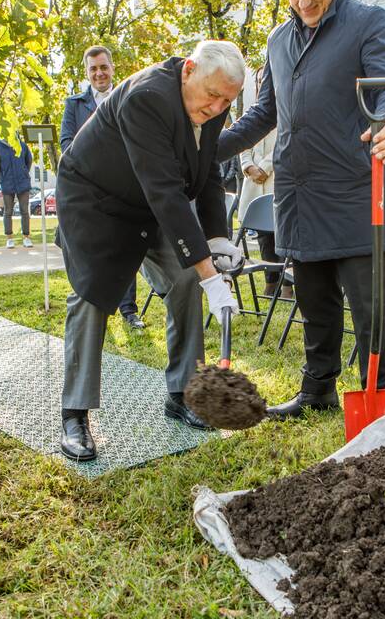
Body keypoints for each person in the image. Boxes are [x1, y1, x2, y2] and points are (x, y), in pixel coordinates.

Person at [217, 0, 385, 419]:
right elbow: (265, 112)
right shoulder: (278, 40)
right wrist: (210, 147)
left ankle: (378, 395)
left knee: (369, 310)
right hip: (299, 196)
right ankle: (317, 390)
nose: (303, 1)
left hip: (352, 191)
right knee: (314, 302)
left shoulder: (369, 23)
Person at [55, 41, 245, 460]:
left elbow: (208, 168)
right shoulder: (147, 96)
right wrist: (212, 276)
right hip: (97, 199)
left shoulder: (214, 98)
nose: (217, 108)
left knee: (183, 280)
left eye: (227, 101)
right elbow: (165, 192)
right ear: (188, 69)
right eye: (212, 96)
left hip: (147, 200)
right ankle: (75, 414)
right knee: (92, 295)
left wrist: (216, 239)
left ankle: (182, 394)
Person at [60, 46, 145, 329]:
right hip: (89, 191)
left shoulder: (128, 97)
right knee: (93, 254)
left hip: (121, 189)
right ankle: (95, 310)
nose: (99, 73)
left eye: (103, 67)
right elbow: (66, 145)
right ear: (87, 72)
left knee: (127, 247)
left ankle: (128, 310)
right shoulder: (74, 105)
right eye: (93, 68)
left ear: (112, 68)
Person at [238, 67, 291, 298]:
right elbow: (242, 142)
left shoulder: (286, 110)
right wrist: (248, 165)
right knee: (263, 235)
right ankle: (271, 281)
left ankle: (288, 283)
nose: (261, 85)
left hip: (276, 177)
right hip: (254, 180)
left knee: (281, 232)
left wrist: (265, 167)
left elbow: (285, 142)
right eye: (259, 81)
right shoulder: (253, 113)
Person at [0, 134, 34, 249]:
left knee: (25, 211)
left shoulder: (22, 146)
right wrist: (3, 177)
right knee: (8, 211)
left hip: (22, 183)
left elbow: (28, 161)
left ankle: (26, 237)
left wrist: (23, 173)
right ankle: (9, 238)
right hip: (7, 184)